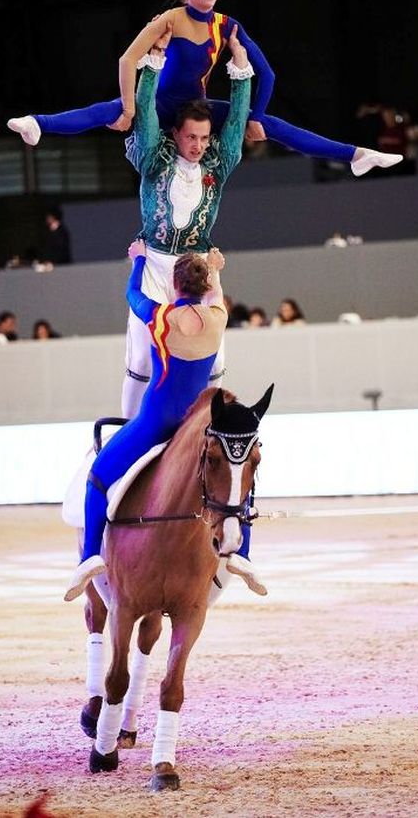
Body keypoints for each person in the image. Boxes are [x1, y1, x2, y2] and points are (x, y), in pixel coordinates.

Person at [7, 0, 402, 178]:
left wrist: (257, 117)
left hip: (195, 110)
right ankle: (37, 123)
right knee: (106, 111)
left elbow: (269, 74)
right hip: (159, 106)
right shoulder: (169, 19)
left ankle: (355, 155)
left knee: (276, 127)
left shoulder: (226, 25)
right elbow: (127, 59)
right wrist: (130, 109)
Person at [64, 240, 266, 602]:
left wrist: (139, 261)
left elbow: (132, 294)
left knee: (98, 477)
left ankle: (90, 555)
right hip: (195, 426)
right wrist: (217, 269)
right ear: (205, 288)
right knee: (237, 475)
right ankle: (244, 554)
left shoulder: (159, 318)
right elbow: (216, 295)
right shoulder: (218, 317)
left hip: (156, 420)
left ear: (175, 286)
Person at [120, 20, 252, 419]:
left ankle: (209, 430)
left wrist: (240, 69)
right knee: (141, 361)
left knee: (214, 362)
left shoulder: (219, 161)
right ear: (175, 133)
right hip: (156, 263)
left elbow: (238, 124)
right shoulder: (153, 159)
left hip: (199, 265)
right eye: (191, 137)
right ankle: (124, 430)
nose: (198, 146)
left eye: (203, 138)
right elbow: (144, 117)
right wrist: (154, 62)